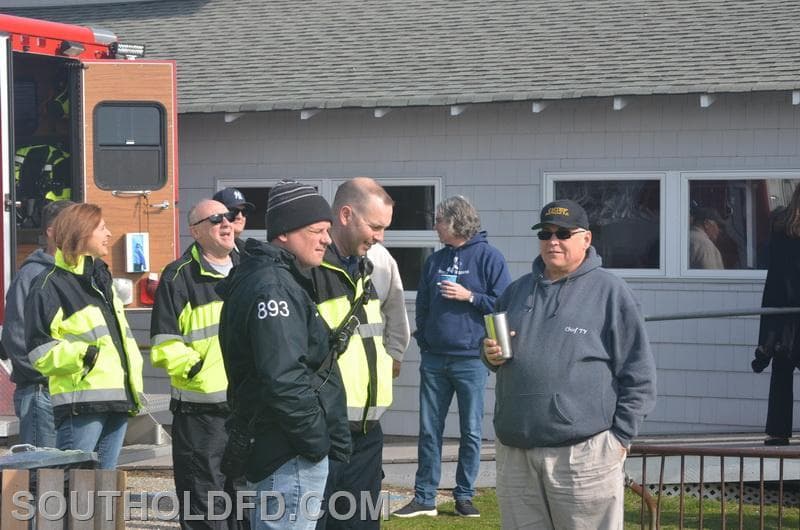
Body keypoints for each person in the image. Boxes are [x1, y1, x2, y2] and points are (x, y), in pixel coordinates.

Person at [482, 199, 657, 529]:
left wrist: (618, 439)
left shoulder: (612, 293)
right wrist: (489, 354)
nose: (553, 242)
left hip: (583, 456)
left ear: (586, 239)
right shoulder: (516, 292)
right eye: (545, 234)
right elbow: (497, 356)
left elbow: (640, 375)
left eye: (563, 234)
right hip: (515, 452)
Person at [217, 181, 349, 530]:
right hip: (287, 452)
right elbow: (283, 377)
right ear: (286, 234)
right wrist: (315, 441)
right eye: (317, 230)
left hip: (279, 445)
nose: (326, 240)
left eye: (328, 231)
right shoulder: (274, 285)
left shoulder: (271, 278)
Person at [394, 195, 511, 518]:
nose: (434, 226)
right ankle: (425, 497)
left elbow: (504, 304)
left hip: (472, 358)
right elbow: (424, 304)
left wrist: (469, 295)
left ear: (456, 222)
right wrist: (426, 338)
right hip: (435, 358)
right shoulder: (435, 260)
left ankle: (464, 496)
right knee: (429, 429)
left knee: (471, 431)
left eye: (439, 221)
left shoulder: (490, 257)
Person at [25, 203, 144, 469]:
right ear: (81, 233)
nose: (109, 234)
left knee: (102, 487)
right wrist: (85, 355)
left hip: (118, 398)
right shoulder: (49, 285)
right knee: (73, 484)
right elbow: (39, 352)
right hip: (81, 403)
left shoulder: (100, 279)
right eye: (101, 228)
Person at [310, 177, 394, 530]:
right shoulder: (310, 271)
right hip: (326, 432)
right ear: (345, 215)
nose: (380, 237)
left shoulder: (364, 267)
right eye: (375, 226)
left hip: (367, 432)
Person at [150, 199, 238, 528]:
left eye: (228, 217)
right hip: (201, 415)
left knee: (243, 500)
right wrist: (199, 371)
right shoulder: (179, 277)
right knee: (204, 505)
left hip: (245, 409)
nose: (226, 223)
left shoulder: (249, 268)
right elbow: (164, 344)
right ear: (195, 231)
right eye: (216, 219)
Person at [2, 200, 73, 447]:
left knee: (67, 475)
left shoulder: (80, 275)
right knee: (40, 475)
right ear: (52, 232)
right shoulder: (31, 276)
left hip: (71, 392)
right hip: (41, 392)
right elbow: (16, 338)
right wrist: (46, 376)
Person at [752, 187, 800, 446]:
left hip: (783, 312)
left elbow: (776, 279)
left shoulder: (781, 230)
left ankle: (779, 432)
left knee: (782, 373)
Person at [366, 243, 410, 378]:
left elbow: (396, 310)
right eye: (374, 227)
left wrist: (396, 354)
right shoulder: (319, 249)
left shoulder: (380, 256)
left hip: (373, 358)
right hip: (326, 361)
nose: (379, 236)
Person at [213, 187, 255, 254]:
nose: (240, 216)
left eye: (244, 211)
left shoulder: (245, 249)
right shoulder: (212, 249)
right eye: (234, 211)